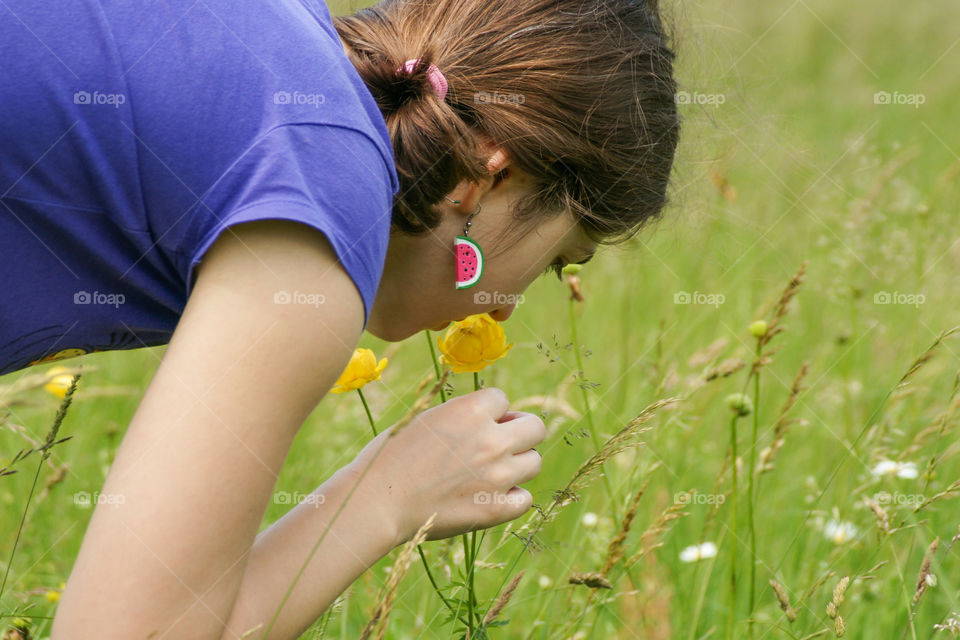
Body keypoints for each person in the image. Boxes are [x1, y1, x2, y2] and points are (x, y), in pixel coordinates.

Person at [0, 0, 680, 636]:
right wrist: (382, 497)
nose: (504, 307)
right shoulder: (322, 198)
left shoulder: (278, 65)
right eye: (561, 259)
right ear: (492, 175)